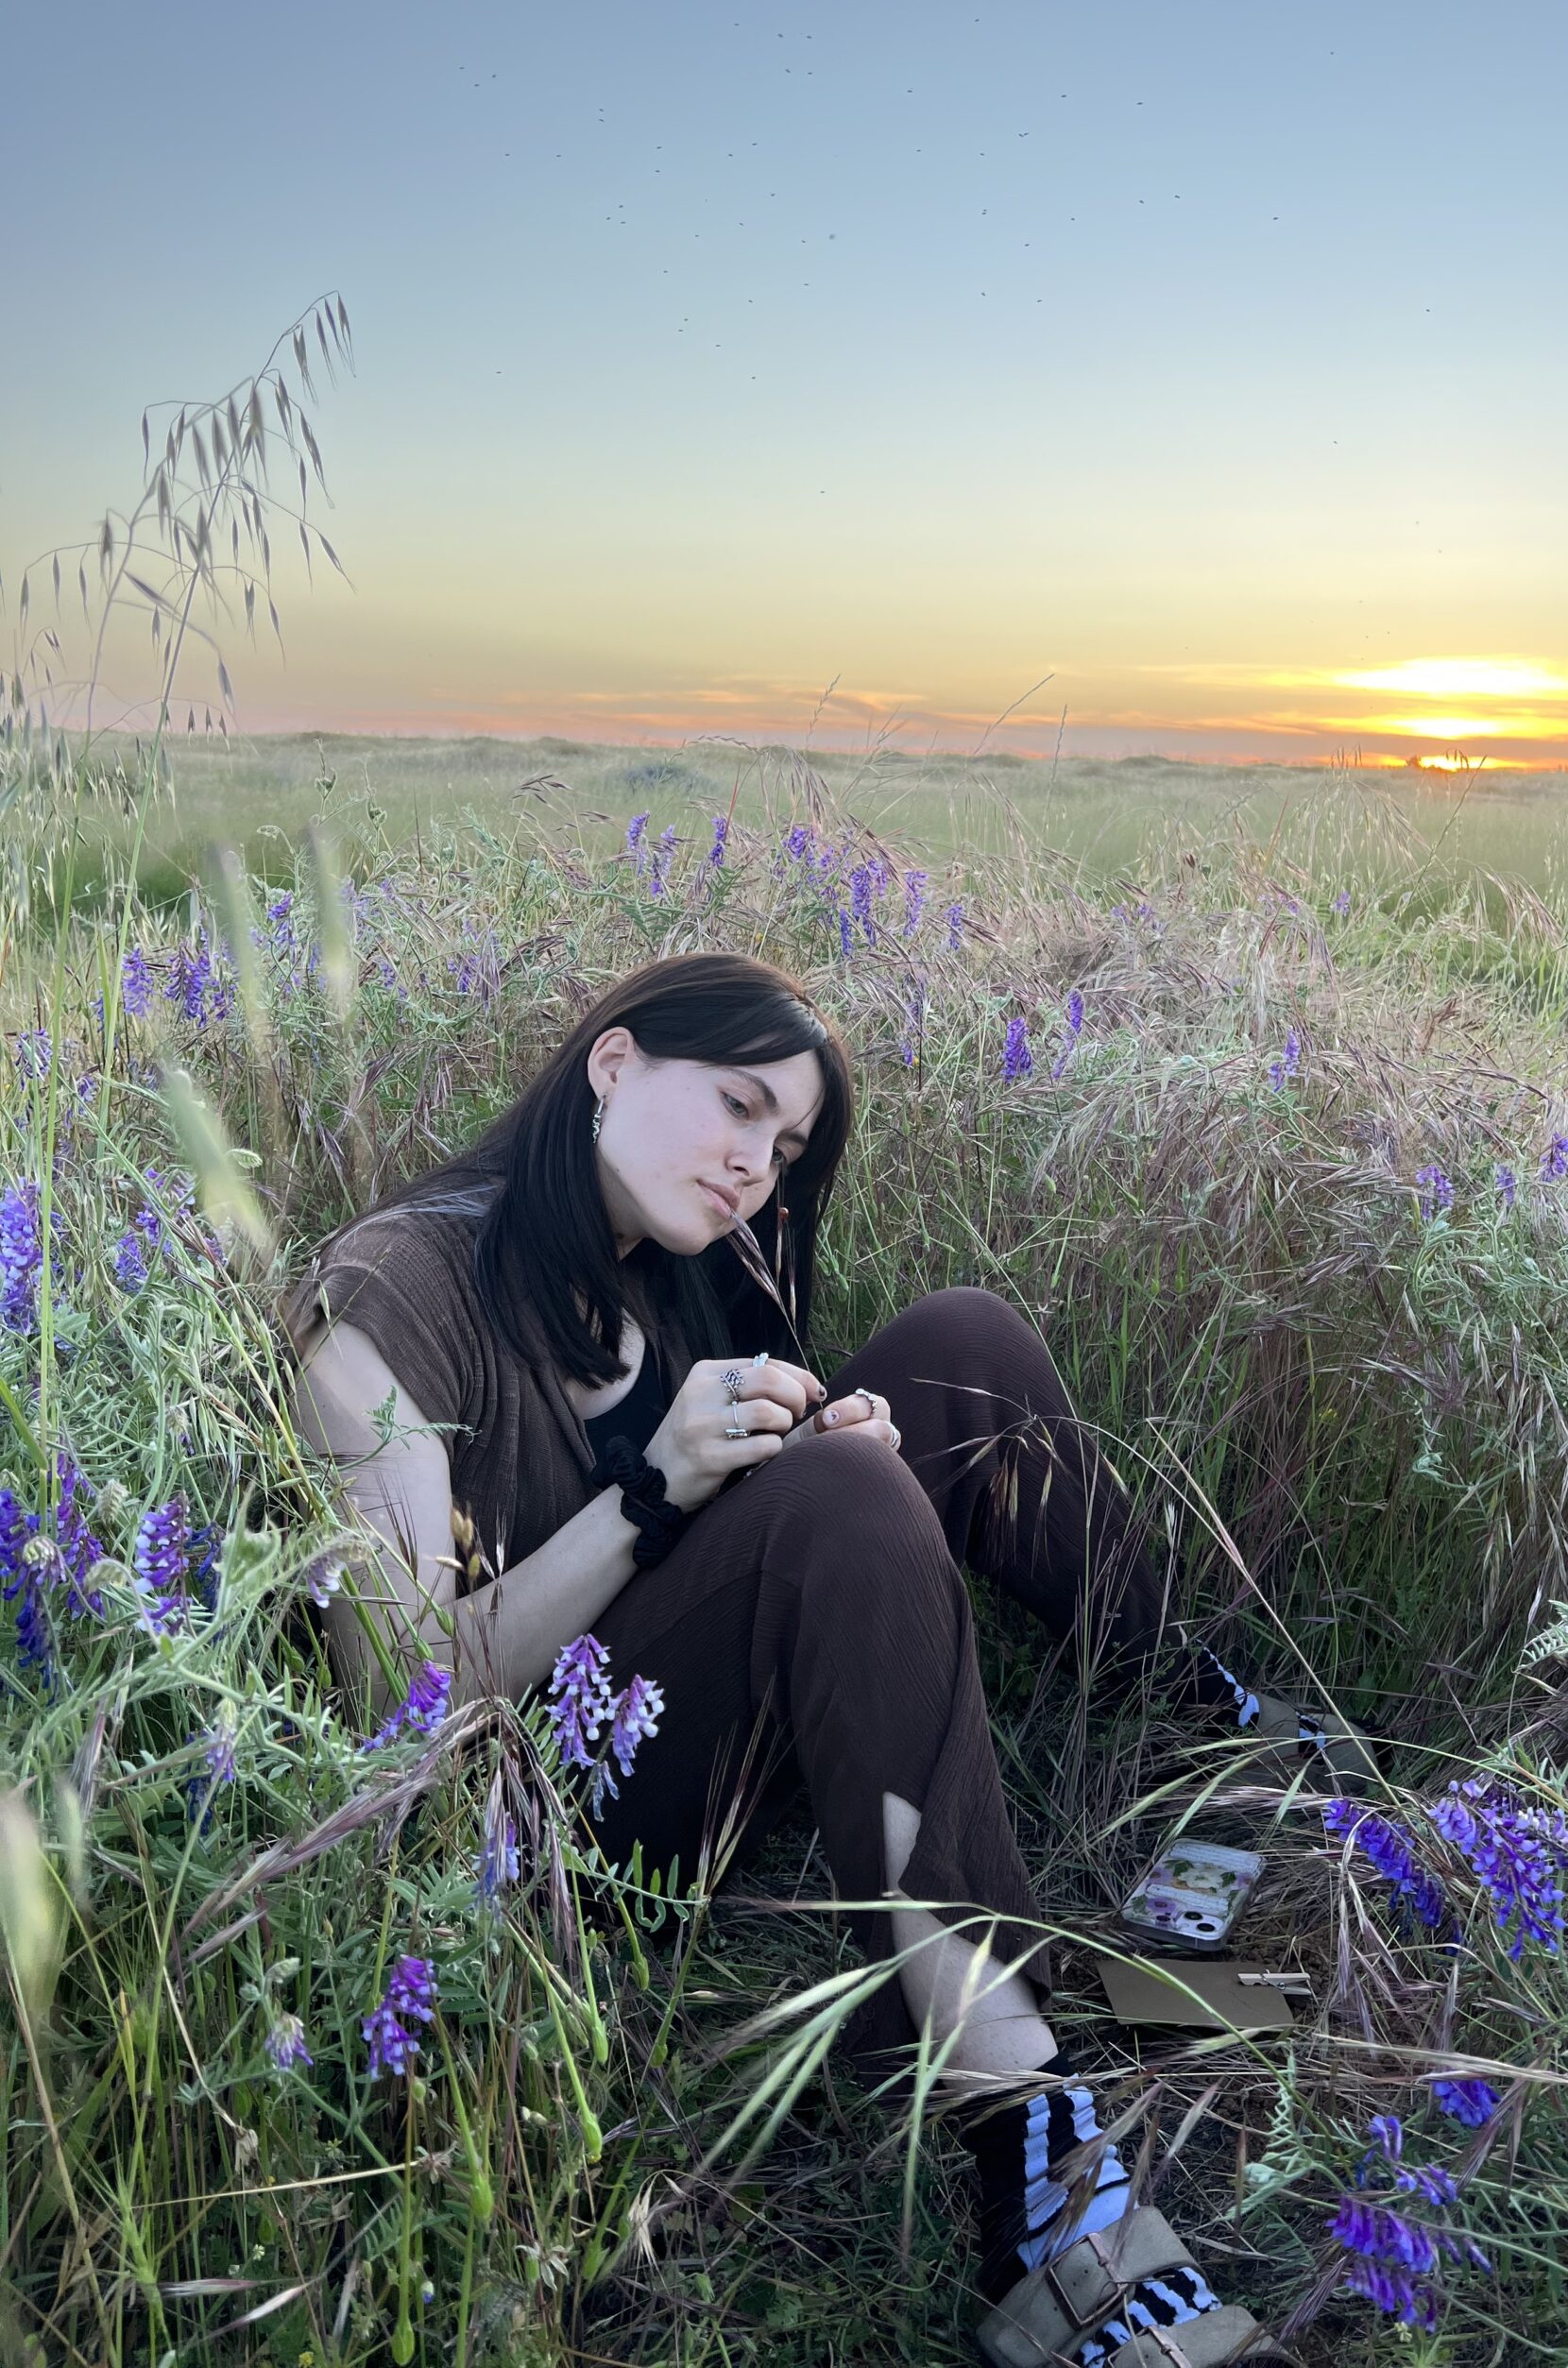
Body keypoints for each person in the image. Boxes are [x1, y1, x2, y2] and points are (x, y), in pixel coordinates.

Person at [283, 948, 1369, 2366]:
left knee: (960, 1348)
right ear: (612, 1064)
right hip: (543, 1827)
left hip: (698, 1709)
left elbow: (727, 1534)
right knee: (846, 1504)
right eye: (736, 1107)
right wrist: (660, 1491)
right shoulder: (396, 1295)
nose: (752, 1166)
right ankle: (1040, 2182)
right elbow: (399, 1703)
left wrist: (792, 1455)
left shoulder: (676, 1267)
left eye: (783, 1146)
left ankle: (1200, 1711)